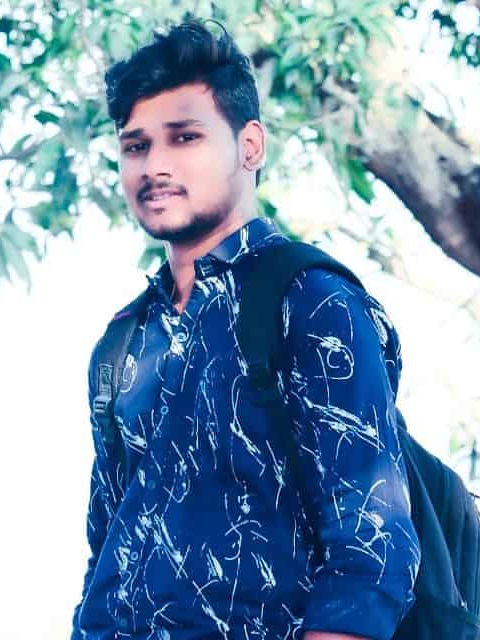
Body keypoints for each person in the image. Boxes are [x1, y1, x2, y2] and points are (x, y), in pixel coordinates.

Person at [71, 18, 420, 640]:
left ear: (250, 146)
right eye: (136, 146)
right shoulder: (124, 341)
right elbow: (105, 555)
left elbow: (370, 549)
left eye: (185, 137)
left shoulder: (309, 300)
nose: (155, 165)